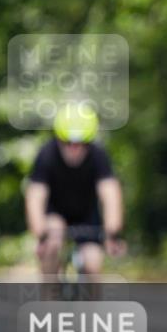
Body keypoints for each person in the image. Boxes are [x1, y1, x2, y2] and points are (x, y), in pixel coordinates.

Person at [25, 103, 125, 278]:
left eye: (81, 144)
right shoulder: (47, 154)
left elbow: (110, 194)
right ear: (59, 139)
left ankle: (91, 303)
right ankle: (49, 296)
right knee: (52, 243)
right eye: (68, 143)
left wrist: (112, 232)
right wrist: (40, 233)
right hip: (55, 213)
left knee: (93, 262)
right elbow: (35, 195)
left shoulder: (98, 155)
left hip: (87, 215)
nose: (74, 149)